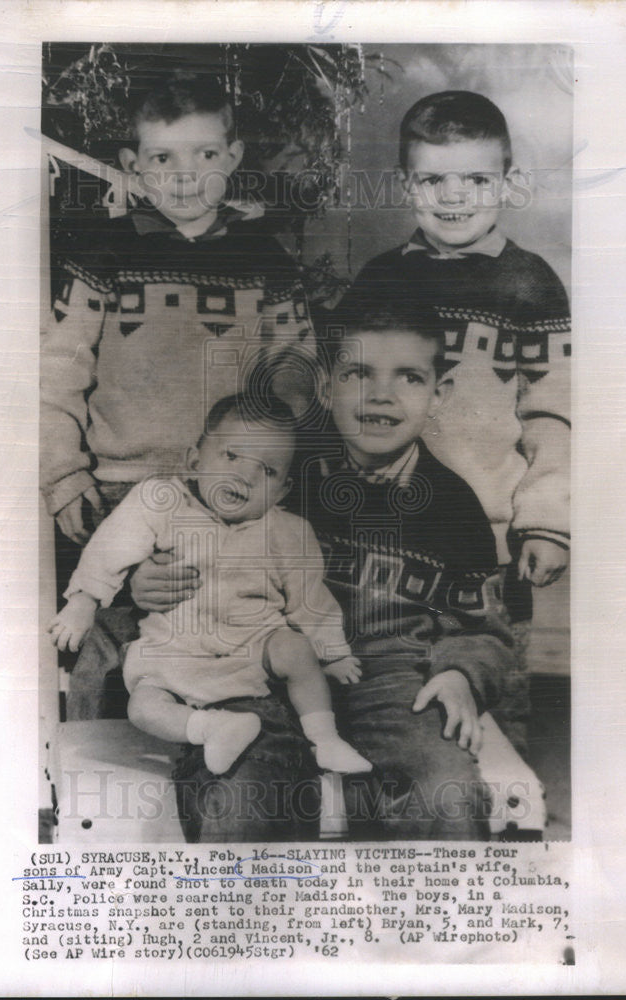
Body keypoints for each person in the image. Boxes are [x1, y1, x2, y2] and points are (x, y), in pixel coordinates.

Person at [133, 304, 515, 840]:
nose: (381, 395)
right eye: (358, 374)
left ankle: (438, 918)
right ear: (327, 387)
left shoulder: (454, 505)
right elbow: (185, 534)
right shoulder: (279, 470)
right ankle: (231, 920)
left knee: (445, 789)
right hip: (259, 669)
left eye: (408, 377)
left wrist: (460, 674)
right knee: (243, 790)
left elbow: (483, 629)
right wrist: (145, 584)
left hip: (392, 679)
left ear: (439, 395)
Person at [338, 90, 571, 747]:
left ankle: (505, 830)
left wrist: (546, 520)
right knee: (393, 694)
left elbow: (554, 412)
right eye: (432, 179)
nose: (454, 196)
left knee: (492, 703)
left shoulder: (529, 285)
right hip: (379, 541)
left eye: (475, 178)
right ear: (403, 185)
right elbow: (346, 400)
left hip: (491, 547)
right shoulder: (380, 279)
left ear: (509, 182)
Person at [41, 70, 316, 544]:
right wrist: (64, 477)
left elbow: (297, 375)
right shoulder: (103, 256)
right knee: (119, 610)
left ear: (232, 158)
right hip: (120, 493)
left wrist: (267, 467)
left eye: (205, 155)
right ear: (132, 164)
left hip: (236, 492)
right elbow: (56, 376)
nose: (185, 175)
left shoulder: (267, 260)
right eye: (162, 157)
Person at [50, 394, 371, 791]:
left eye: (267, 471)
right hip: (174, 651)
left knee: (295, 650)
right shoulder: (162, 501)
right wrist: (83, 600)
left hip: (252, 647)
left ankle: (325, 740)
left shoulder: (288, 531)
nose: (245, 477)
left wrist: (332, 651)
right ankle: (211, 728)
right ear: (195, 459)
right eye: (232, 456)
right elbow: (112, 545)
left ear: (283, 489)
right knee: (144, 707)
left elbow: (310, 597)